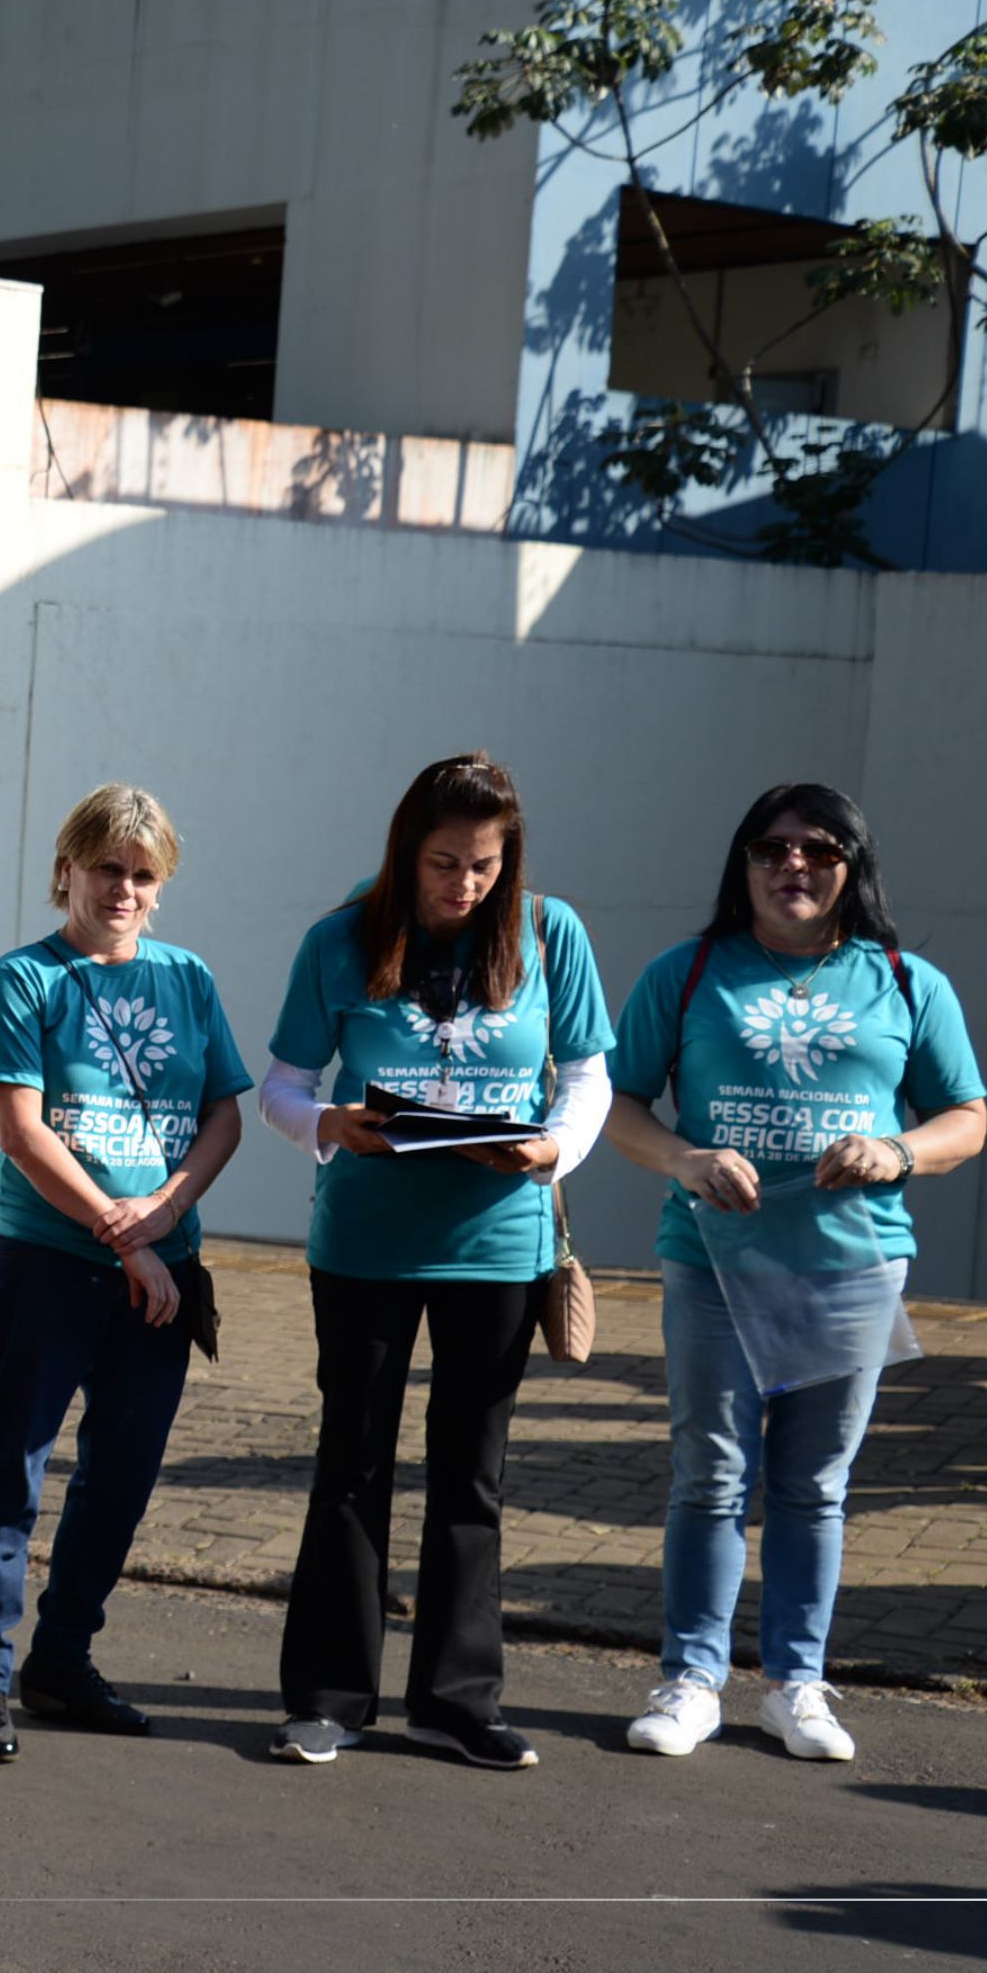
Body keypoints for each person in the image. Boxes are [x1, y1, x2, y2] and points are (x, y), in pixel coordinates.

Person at [603, 785, 986, 1763]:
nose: (793, 866)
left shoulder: (904, 980)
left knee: (814, 1484)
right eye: (771, 848)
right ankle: (691, 1679)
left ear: (851, 867)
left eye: (818, 850)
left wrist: (896, 1151)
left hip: (848, 1262)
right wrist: (683, 1159)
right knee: (709, 1473)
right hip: (710, 1260)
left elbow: (967, 1119)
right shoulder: (686, 974)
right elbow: (618, 1103)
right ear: (743, 865)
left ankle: (796, 1686)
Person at [257, 752, 614, 1771]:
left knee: (471, 1473)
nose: (462, 884)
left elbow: (589, 1072)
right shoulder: (340, 935)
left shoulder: (551, 932)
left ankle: (455, 1701)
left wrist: (555, 1146)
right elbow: (282, 1082)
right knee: (351, 1464)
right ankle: (326, 1698)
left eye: (483, 865)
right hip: (367, 1241)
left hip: (498, 1243)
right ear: (405, 851)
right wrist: (330, 1123)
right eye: (443, 862)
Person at [0, 784, 247, 1763]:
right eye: (106, 867)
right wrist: (128, 1238)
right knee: (11, 1473)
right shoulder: (23, 979)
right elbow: (20, 1131)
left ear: (160, 887)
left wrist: (164, 1216)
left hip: (160, 1269)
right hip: (47, 1262)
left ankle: (61, 1658)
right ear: (66, 871)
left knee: (118, 1480)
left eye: (142, 873)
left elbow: (222, 1116)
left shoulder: (188, 978)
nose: (122, 887)